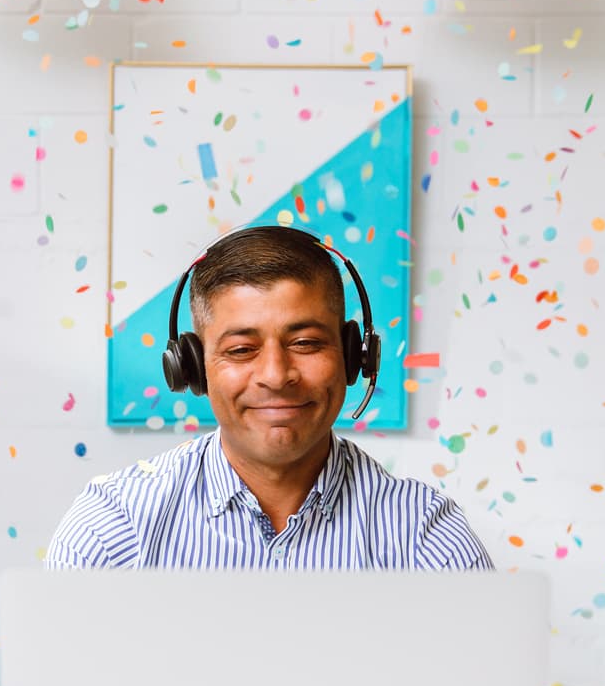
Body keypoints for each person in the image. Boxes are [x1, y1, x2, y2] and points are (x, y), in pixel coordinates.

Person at [44, 224, 493, 570]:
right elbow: (53, 685)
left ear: (354, 356)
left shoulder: (427, 536)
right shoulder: (112, 525)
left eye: (306, 343)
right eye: (241, 350)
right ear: (195, 367)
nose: (276, 376)